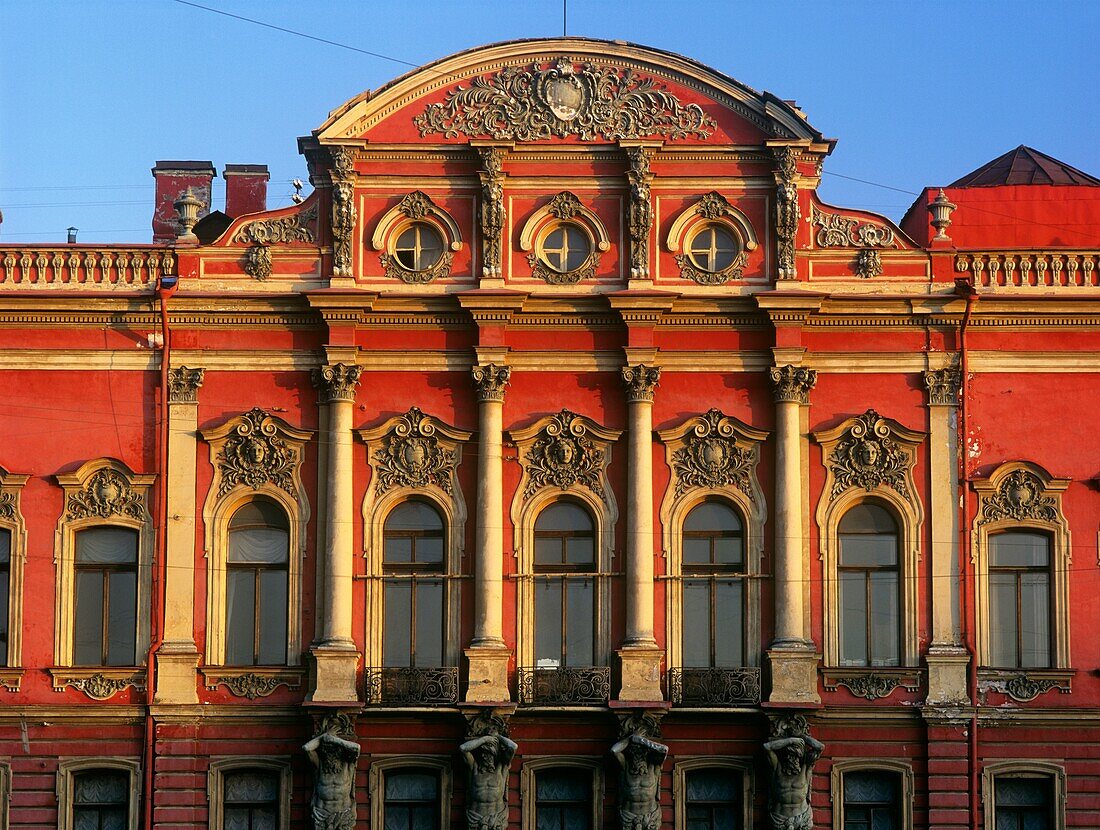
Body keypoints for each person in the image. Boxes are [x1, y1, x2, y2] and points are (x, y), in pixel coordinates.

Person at [763, 733, 824, 830]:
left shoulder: (805, 767)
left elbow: (820, 747)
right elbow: (767, 747)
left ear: (800, 757)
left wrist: (801, 736)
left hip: (802, 818)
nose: (792, 759)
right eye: (790, 756)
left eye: (795, 756)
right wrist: (790, 740)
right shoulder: (777, 768)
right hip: (779, 819)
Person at [303, 731, 360, 830]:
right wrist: (323, 736)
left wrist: (335, 740)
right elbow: (307, 749)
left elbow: (357, 748)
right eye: (329, 755)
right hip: (322, 814)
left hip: (343, 814)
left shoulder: (347, 763)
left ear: (339, 754)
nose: (331, 759)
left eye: (334, 755)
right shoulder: (320, 765)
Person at [460, 732, 518, 830]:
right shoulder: (474, 769)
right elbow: (463, 748)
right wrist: (485, 739)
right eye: (484, 754)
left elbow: (514, 747)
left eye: (490, 754)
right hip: (475, 818)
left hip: (496, 819)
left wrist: (497, 736)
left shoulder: (500, 769)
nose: (487, 758)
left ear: (494, 755)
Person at [611, 732, 668, 830]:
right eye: (635, 756)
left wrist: (642, 741)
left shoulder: (653, 766)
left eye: (641, 755)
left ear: (646, 755)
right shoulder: (626, 766)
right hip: (628, 815)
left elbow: (664, 750)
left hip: (651, 816)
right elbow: (614, 751)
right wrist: (630, 738)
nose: (638, 759)